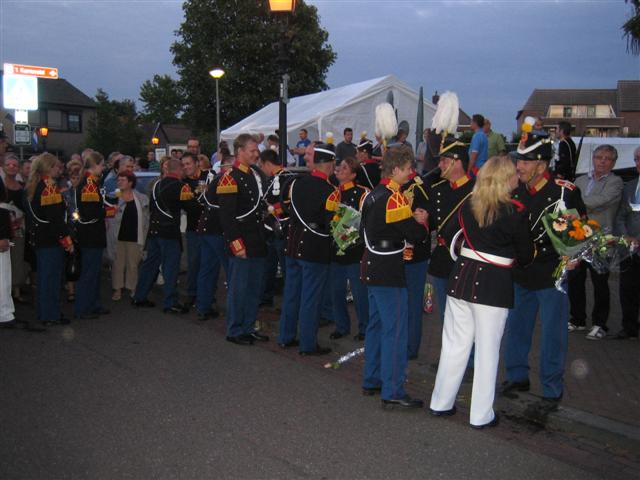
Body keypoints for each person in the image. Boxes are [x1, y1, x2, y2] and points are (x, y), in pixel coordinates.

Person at [430, 156, 535, 428]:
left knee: (454, 345)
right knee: (487, 351)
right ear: (506, 179)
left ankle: (441, 402)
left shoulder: (469, 206)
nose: (517, 177)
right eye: (514, 173)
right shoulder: (515, 212)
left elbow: (449, 235)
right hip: (493, 285)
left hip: (461, 278)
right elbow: (526, 256)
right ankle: (480, 415)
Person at [502, 128, 585, 416]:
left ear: (541, 164)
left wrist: (574, 256)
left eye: (525, 162)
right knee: (516, 327)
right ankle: (517, 376)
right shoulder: (515, 191)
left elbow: (579, 234)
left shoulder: (564, 192)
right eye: (518, 161)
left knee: (552, 335)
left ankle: (551, 388)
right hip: (521, 272)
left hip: (551, 275)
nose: (519, 167)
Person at [360, 145, 429, 409]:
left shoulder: (372, 195)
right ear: (397, 169)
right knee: (396, 331)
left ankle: (372, 378)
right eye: (408, 168)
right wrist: (421, 221)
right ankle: (393, 389)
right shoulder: (395, 197)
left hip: (372, 264)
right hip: (389, 269)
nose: (411, 173)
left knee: (376, 326)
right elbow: (414, 234)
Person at [278, 143, 340, 355]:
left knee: (291, 294)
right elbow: (332, 223)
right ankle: (307, 344)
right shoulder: (330, 191)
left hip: (293, 243)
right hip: (315, 248)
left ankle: (285, 336)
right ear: (329, 165)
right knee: (310, 299)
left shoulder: (297, 183)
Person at [217, 134, 269, 345]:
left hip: (256, 239)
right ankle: (235, 330)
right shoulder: (230, 177)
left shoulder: (254, 174)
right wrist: (236, 244)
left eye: (257, 150)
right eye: (252, 150)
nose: (256, 154)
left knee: (254, 288)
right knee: (239, 289)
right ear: (240, 151)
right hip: (242, 240)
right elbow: (227, 217)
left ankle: (248, 326)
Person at [569, 145, 623, 339]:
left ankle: (600, 324)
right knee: (575, 280)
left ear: (613, 162)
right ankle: (578, 319)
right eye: (599, 157)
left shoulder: (616, 182)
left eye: (607, 158)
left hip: (601, 240)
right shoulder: (580, 180)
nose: (602, 161)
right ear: (592, 158)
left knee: (600, 282)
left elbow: (601, 201)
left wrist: (578, 203)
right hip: (578, 239)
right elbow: (570, 203)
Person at [132, 157, 197, 313]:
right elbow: (192, 207)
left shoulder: (156, 185)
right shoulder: (181, 187)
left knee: (150, 265)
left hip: (154, 230)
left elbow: (152, 206)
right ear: (179, 170)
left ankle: (139, 296)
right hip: (169, 232)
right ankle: (170, 302)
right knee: (170, 268)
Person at [426, 138, 474, 324]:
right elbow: (434, 223)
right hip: (442, 259)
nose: (440, 165)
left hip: (467, 261)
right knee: (446, 317)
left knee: (465, 317)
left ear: (457, 162)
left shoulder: (477, 190)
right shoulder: (437, 189)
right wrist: (424, 218)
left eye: (444, 161)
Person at [25, 153, 74, 329]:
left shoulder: (34, 186)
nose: (59, 170)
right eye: (56, 166)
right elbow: (55, 219)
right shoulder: (49, 188)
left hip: (41, 237)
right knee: (51, 279)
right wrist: (66, 240)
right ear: (48, 167)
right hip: (51, 240)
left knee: (45, 278)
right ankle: (50, 314)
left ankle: (45, 312)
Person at [328, 156, 370, 341]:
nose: (339, 169)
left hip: (355, 251)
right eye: (339, 166)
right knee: (336, 292)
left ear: (353, 174)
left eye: (344, 168)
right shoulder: (333, 192)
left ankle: (365, 328)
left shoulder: (362, 194)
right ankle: (341, 326)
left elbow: (367, 221)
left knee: (360, 293)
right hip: (336, 250)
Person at [195, 154, 233, 321]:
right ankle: (233, 311)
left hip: (206, 228)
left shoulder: (214, 181)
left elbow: (203, 200)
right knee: (231, 270)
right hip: (218, 230)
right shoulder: (226, 181)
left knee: (207, 269)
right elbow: (228, 208)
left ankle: (203, 306)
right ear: (227, 167)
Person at [74, 151, 109, 320]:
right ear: (94, 165)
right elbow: (90, 212)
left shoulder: (91, 182)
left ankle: (93, 303)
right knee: (89, 272)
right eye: (101, 165)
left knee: (94, 272)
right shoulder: (88, 184)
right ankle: (83, 307)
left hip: (92, 233)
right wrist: (107, 211)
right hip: (91, 234)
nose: (103, 168)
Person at [258, 148, 295, 308]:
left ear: (267, 163)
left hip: (283, 230)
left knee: (287, 269)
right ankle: (265, 297)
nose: (261, 169)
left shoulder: (288, 178)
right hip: (269, 230)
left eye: (261, 165)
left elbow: (290, 203)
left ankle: (289, 303)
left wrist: (273, 209)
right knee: (268, 267)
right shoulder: (271, 179)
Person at [403, 166, 431, 359]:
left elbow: (426, 220)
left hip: (415, 253)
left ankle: (410, 347)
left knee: (412, 303)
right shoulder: (397, 186)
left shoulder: (419, 187)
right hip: (397, 253)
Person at [613, 146, 640, 340]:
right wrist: (626, 237)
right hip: (629, 248)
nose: (639, 163)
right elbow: (621, 216)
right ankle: (629, 327)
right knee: (628, 289)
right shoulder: (630, 186)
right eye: (637, 159)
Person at [111, 171, 149, 301]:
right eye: (118, 180)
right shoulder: (114, 197)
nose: (119, 182)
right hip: (118, 236)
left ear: (130, 183)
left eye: (123, 180)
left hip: (135, 235)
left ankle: (132, 287)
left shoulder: (141, 198)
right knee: (118, 264)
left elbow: (146, 218)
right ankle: (117, 289)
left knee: (133, 264)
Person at [181, 152, 209, 306]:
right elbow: (189, 206)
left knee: (208, 263)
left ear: (197, 163)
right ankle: (191, 293)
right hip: (193, 228)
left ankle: (207, 295)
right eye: (183, 165)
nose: (186, 167)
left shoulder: (209, 176)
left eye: (188, 163)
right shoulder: (183, 183)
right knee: (193, 262)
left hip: (210, 229)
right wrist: (198, 196)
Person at [1, 156, 27, 302]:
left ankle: (16, 291)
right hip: (3, 228)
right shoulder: (1, 185)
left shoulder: (22, 187)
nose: (11, 167)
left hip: (18, 227)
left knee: (17, 257)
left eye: (14, 165)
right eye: (8, 164)